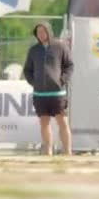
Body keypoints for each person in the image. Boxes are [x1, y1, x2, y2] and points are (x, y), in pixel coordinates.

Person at [24, 23, 74, 156]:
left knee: (62, 122)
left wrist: (62, 80)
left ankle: (67, 152)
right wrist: (34, 82)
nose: (41, 34)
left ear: (49, 32)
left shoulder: (60, 46)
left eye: (43, 31)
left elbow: (69, 65)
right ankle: (48, 152)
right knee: (44, 123)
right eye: (38, 32)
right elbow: (27, 70)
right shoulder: (33, 50)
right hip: (40, 94)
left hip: (57, 94)